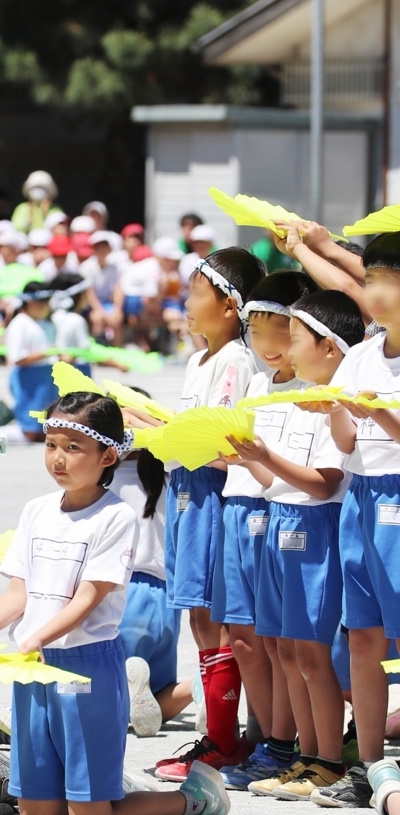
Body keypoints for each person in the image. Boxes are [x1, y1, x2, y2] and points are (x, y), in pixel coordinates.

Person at [0, 391, 232, 815]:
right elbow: (20, 592)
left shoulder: (115, 517)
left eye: (74, 448)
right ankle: (100, 787)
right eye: (52, 444)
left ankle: (192, 797)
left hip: (86, 665)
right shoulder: (37, 511)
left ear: (108, 455)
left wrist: (37, 638)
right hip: (33, 669)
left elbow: (87, 598)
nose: (59, 458)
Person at [229, 291, 365, 801]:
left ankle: (328, 757)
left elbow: (324, 483)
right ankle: (308, 757)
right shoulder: (294, 394)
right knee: (286, 649)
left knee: (311, 652)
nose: (286, 346)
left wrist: (266, 457)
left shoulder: (332, 401)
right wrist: (247, 459)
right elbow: (276, 482)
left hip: (315, 524)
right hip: (283, 521)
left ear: (330, 348)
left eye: (296, 337)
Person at [155, 249, 265, 782]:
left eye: (197, 293)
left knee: (214, 613)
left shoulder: (235, 362)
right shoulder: (201, 359)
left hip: (212, 491)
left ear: (229, 306)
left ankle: (226, 736)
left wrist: (163, 434)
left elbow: (221, 441)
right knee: (196, 611)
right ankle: (218, 731)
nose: (187, 302)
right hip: (185, 488)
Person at [213, 271, 317, 790]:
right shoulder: (255, 382)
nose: (266, 342)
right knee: (243, 637)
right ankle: (267, 738)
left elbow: (282, 474)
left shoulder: (311, 391)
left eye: (280, 329)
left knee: (277, 639)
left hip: (275, 514)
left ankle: (283, 741)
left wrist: (249, 458)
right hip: (240, 506)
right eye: (256, 328)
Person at [310, 231, 400, 807]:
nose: (378, 293)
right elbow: (346, 442)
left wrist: (381, 415)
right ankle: (370, 767)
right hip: (362, 498)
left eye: (389, 280)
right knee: (363, 636)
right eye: (372, 281)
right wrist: (336, 408)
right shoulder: (364, 353)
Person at [110, 395, 192, 738]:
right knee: (161, 690)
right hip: (166, 597)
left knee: (107, 694)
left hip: (123, 593)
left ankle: (126, 700)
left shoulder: (107, 482)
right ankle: (199, 685)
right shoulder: (171, 476)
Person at [6, 281, 57, 442]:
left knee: (44, 430)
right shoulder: (19, 324)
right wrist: (48, 352)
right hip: (28, 380)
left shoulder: (46, 323)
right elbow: (17, 358)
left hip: (46, 379)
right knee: (29, 431)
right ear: (31, 302)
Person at [51, 275, 93, 377]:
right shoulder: (77, 321)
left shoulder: (54, 316)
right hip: (76, 374)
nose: (88, 297)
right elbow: (84, 350)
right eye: (85, 293)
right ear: (76, 296)